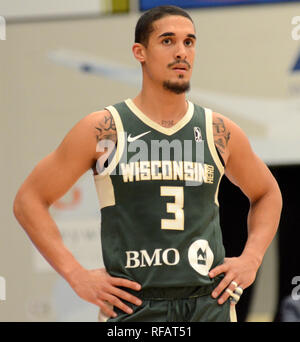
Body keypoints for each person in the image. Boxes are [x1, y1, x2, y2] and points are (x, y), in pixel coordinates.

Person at [13, 5, 282, 322]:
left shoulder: (217, 130)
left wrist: (251, 258)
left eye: (189, 42)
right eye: (167, 41)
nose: (181, 52)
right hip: (134, 307)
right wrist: (75, 274)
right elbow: (28, 200)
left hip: (208, 305)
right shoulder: (104, 128)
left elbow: (267, 193)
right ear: (140, 52)